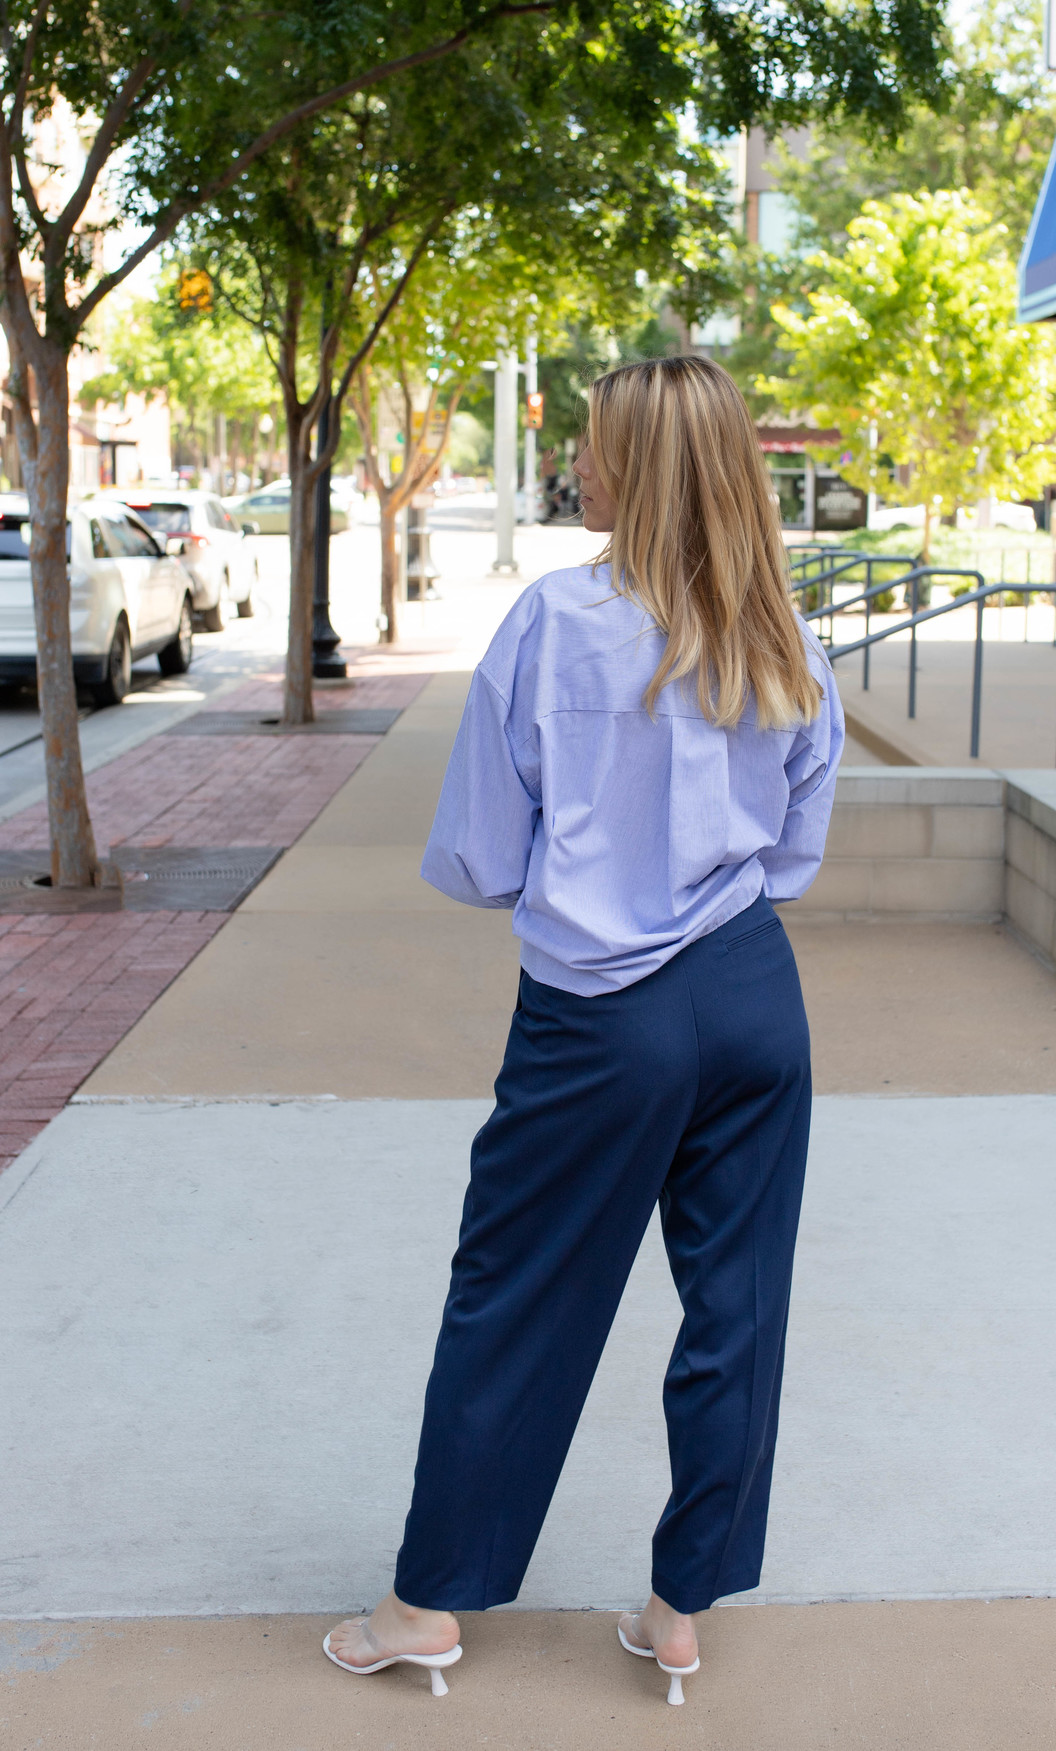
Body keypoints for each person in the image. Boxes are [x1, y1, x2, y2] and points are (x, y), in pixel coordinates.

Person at [324, 355, 845, 1704]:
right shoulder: (782, 632)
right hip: (751, 992)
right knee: (737, 1305)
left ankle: (425, 1606)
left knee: (516, 1298)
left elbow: (480, 855)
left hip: (598, 1011)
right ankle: (680, 1610)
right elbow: (795, 848)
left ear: (645, 467)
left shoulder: (555, 622)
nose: (582, 466)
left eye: (599, 446)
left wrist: (597, 872)